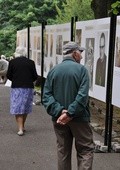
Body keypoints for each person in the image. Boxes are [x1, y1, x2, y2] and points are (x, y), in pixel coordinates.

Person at [42, 41, 94, 170]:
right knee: (85, 150)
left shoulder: (53, 71)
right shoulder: (81, 70)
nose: (81, 56)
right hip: (79, 118)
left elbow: (46, 96)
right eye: (80, 53)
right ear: (75, 53)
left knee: (63, 151)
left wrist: (60, 111)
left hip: (59, 119)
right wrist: (70, 113)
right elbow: (82, 96)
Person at [6, 46, 38, 136]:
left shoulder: (12, 62)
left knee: (18, 108)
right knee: (25, 107)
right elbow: (35, 76)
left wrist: (15, 79)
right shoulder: (31, 62)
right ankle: (22, 126)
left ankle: (20, 129)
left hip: (17, 87)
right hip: (28, 87)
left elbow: (8, 75)